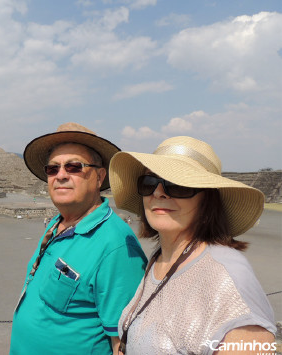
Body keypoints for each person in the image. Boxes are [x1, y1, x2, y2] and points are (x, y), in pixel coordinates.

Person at [108, 136, 276, 354]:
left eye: (178, 185)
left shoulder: (227, 275)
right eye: (149, 183)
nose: (159, 192)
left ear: (207, 200)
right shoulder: (162, 258)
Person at [10, 123, 147, 355]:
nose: (61, 175)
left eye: (74, 167)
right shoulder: (57, 224)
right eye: (52, 169)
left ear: (99, 176)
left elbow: (124, 344)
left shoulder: (117, 246)